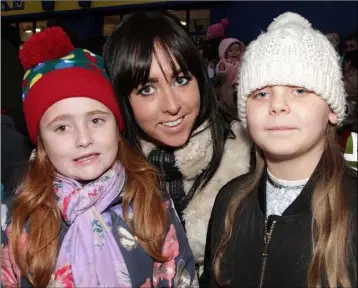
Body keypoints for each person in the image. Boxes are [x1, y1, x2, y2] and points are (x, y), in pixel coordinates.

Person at [1, 26, 197, 288]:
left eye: (96, 120)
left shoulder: (152, 203)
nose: (83, 139)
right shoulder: (15, 220)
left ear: (117, 128)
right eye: (62, 127)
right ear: (42, 142)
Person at [201, 12, 357, 288]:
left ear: (332, 109)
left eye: (299, 90)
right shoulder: (229, 202)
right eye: (261, 93)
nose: (277, 105)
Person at [103, 11, 251, 275]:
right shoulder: (105, 186)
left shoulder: (246, 161)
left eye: (181, 79)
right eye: (147, 89)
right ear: (123, 100)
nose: (172, 106)